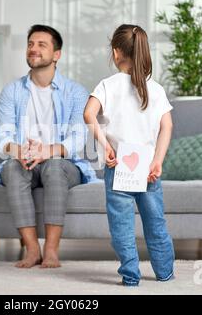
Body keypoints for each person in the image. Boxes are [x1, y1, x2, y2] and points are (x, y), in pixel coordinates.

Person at [0, 24, 98, 268]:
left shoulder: (75, 92)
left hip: (62, 164)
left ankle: (51, 250)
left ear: (57, 54)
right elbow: (2, 135)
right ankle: (32, 250)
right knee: (11, 169)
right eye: (30, 44)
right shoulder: (11, 91)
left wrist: (47, 151)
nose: (33, 49)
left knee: (54, 166)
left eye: (42, 45)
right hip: (25, 160)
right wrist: (17, 151)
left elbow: (77, 138)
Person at [84, 24, 175, 286]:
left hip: (119, 165)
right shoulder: (155, 89)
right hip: (148, 167)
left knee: (121, 226)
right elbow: (167, 126)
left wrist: (105, 145)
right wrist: (158, 160)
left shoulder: (107, 85)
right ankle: (164, 272)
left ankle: (131, 276)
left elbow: (89, 114)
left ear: (116, 53)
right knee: (155, 222)